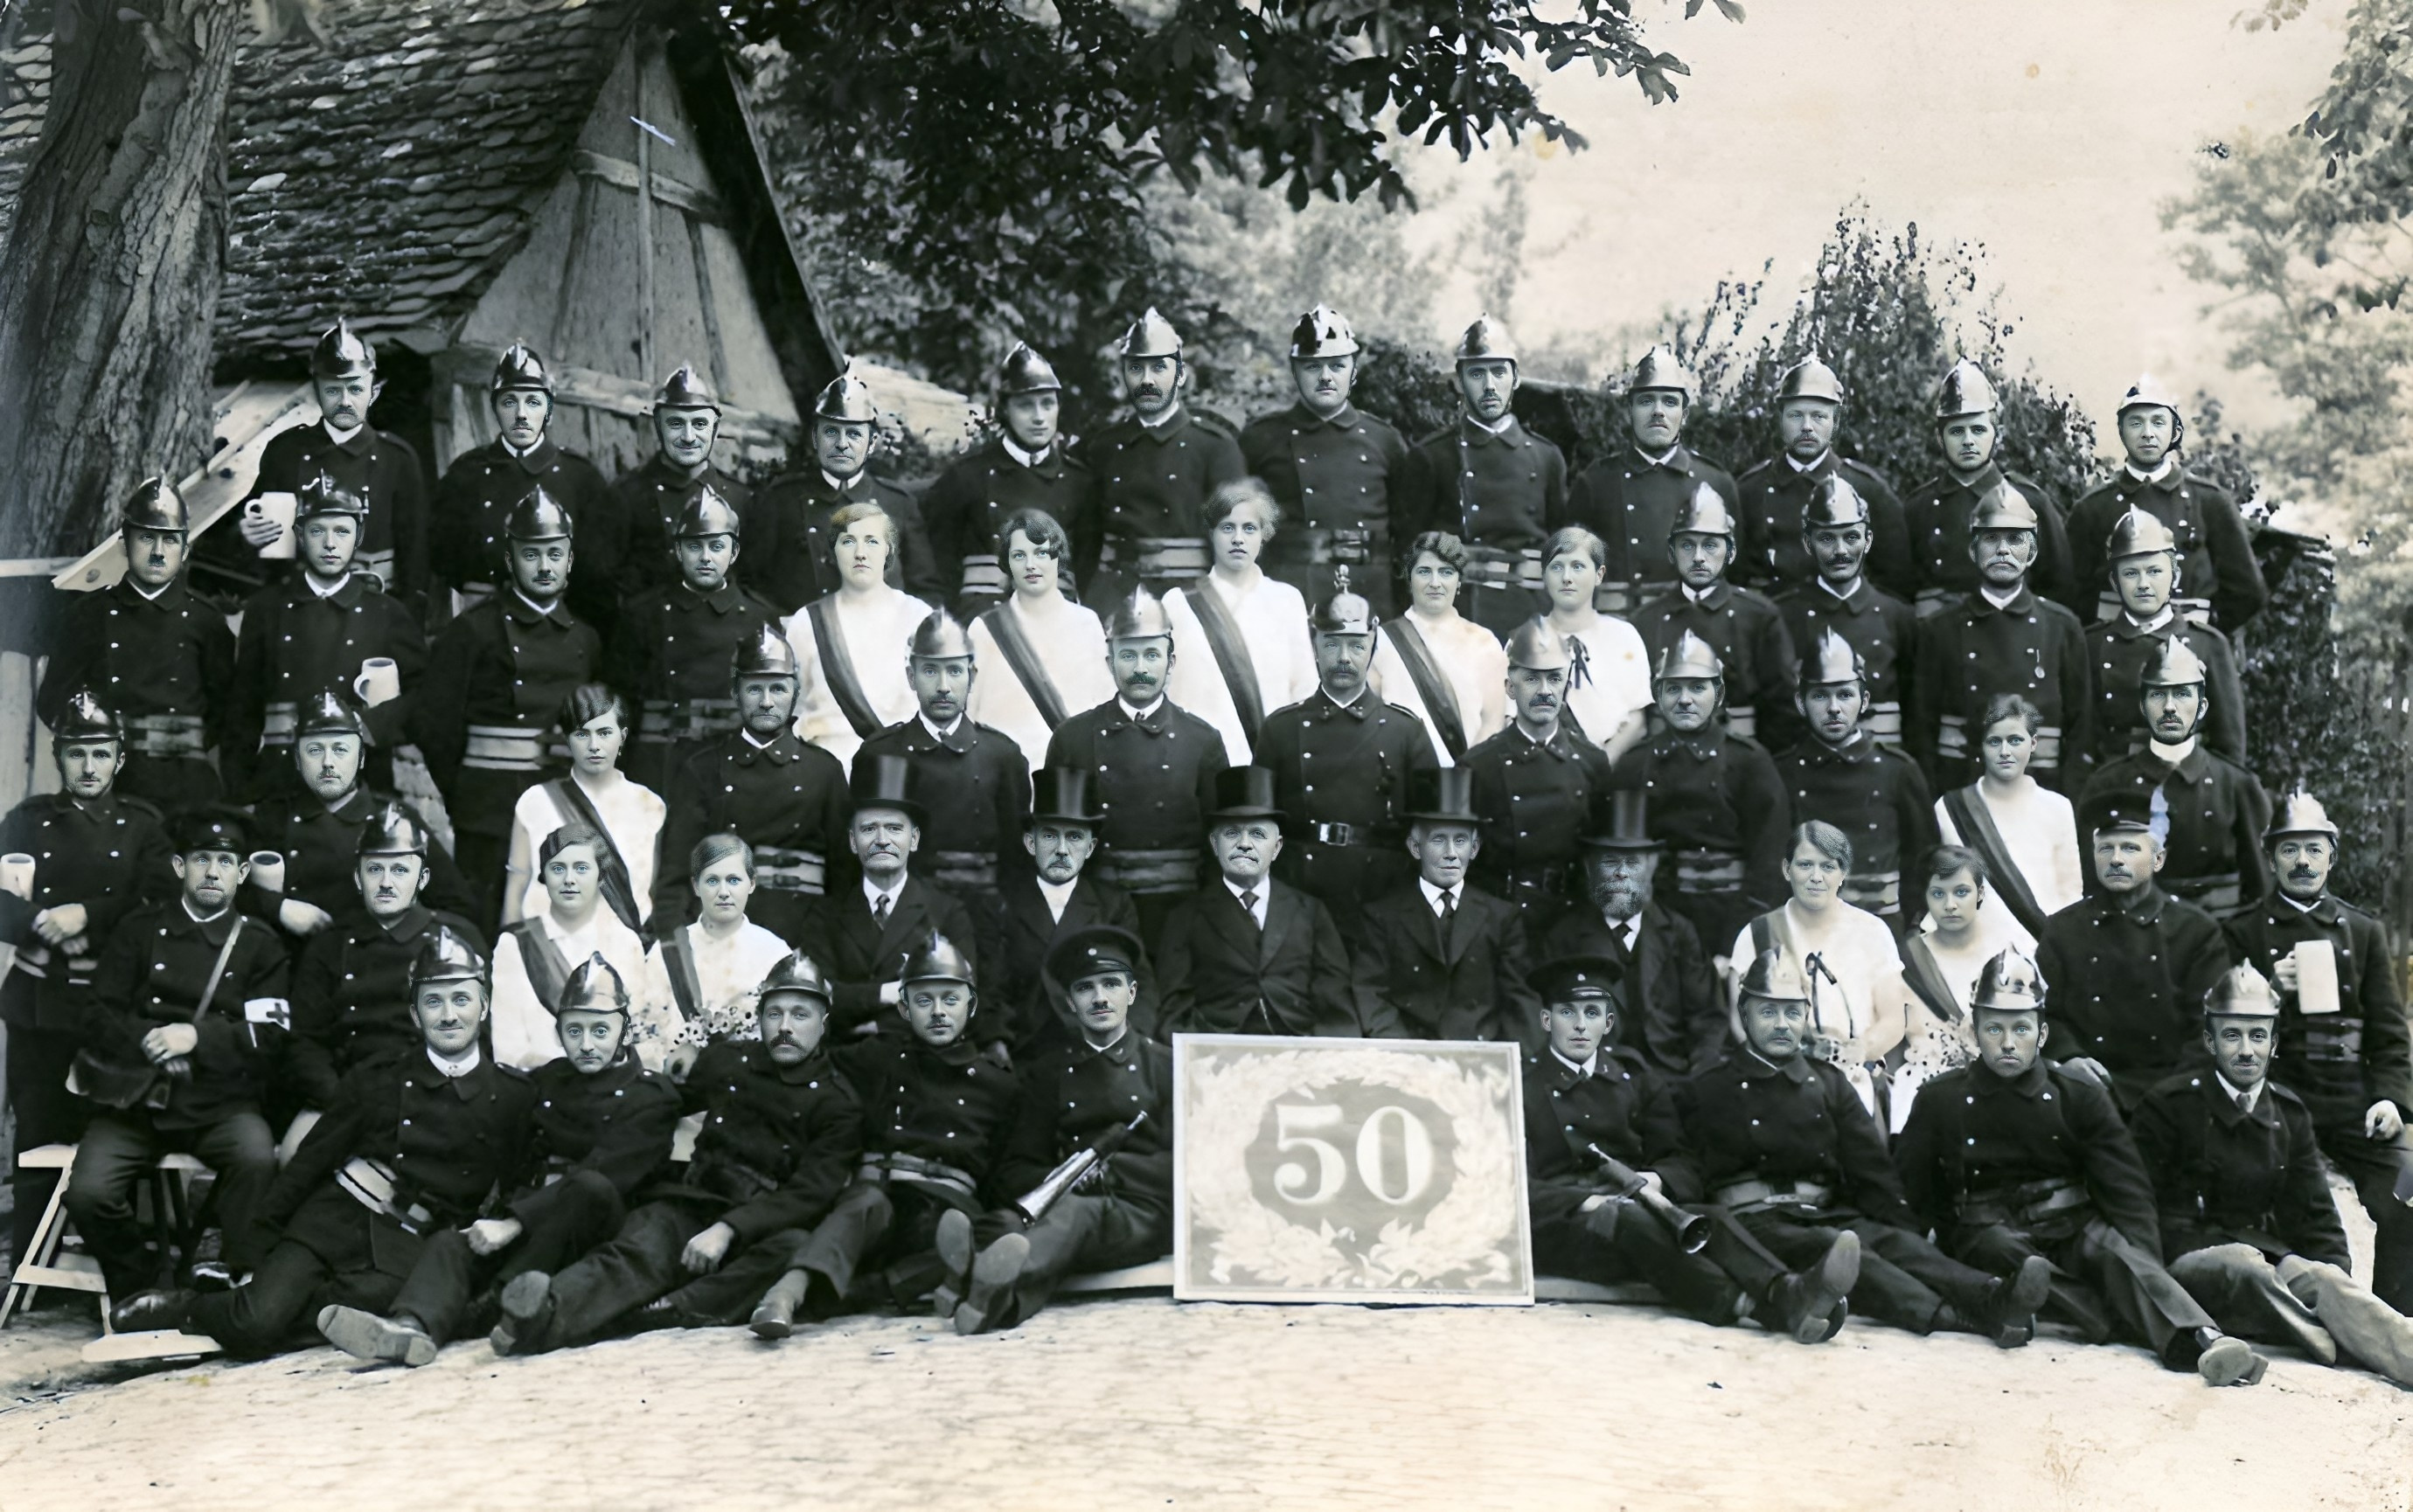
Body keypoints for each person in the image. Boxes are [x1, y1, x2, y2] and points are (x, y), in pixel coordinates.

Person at [113, 926, 535, 1353]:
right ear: (414, 1014)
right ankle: (189, 1307)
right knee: (256, 1325)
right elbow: (308, 1165)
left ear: (483, 1007)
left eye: (461, 999)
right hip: (333, 1219)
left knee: (341, 1321)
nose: (448, 1016)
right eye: (433, 1001)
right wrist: (248, 1257)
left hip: (407, 1247)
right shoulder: (377, 1078)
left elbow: (514, 1188)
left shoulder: (513, 1097)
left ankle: (248, 1311)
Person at [1894, 947, 2270, 1385]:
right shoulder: (1941, 1099)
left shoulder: (2077, 1093)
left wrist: (2146, 1263)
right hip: (1986, 1229)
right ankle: (2103, 1315)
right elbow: (1912, 1191)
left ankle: (2205, 1341)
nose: (2009, 1042)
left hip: (2072, 1223)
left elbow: (2126, 1188)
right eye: (1994, 1028)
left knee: (2116, 1253)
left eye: (2021, 1028)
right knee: (2008, 1254)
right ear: (1974, 1030)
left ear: (2043, 1030)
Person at [315, 952, 685, 1367]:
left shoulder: (650, 1097)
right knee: (450, 1243)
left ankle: (489, 1305)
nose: (586, 1044)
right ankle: (409, 1328)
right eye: (573, 1030)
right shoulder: (546, 1081)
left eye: (601, 1030)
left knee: (587, 1187)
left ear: (626, 1029)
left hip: (591, 1229)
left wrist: (513, 1222)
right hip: (533, 1217)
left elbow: (604, 1175)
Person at [489, 950, 865, 1356]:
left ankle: (665, 1311)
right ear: (760, 1018)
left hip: (760, 1219)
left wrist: (729, 1229)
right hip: (692, 1197)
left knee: (792, 1249)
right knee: (637, 1249)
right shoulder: (728, 1062)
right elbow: (660, 1100)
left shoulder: (838, 1104)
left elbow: (809, 1193)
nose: (785, 1027)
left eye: (800, 1015)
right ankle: (544, 1310)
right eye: (774, 1014)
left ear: (824, 1023)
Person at [1679, 950, 2052, 1346]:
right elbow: (1686, 1167)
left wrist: (1903, 1229)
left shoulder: (1828, 1084)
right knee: (1843, 1251)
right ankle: (1961, 1319)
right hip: (1755, 1222)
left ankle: (1995, 1295)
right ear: (1744, 1011)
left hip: (1824, 1212)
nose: (1782, 1025)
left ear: (1806, 1014)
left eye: (1792, 1012)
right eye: (1768, 1012)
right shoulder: (1707, 1087)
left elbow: (1870, 1171)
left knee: (1894, 1244)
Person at [1519, 954, 1861, 1344]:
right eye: (1567, 1012)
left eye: (1592, 1012)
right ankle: (1767, 1306)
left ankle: (1787, 1287)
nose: (1580, 1025)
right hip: (1565, 1231)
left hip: (1639, 1217)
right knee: (1629, 1218)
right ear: (1547, 1021)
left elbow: (1682, 1162)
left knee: (1708, 1216)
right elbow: (1509, 1185)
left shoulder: (1638, 1081)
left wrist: (1655, 1180)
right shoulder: (1519, 1086)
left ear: (1608, 1022)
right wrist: (1587, 1203)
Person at [2132, 964, 2413, 1387]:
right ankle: (2330, 1339)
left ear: (2274, 1043)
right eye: (2232, 1035)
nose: (2246, 1050)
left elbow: (2318, 1216)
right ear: (2210, 1041)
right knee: (2243, 1264)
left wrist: (2336, 1280)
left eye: (2258, 1035)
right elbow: (2139, 1215)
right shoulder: (2169, 1107)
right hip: (2190, 1264)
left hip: (2266, 1262)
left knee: (2322, 1276)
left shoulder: (2289, 1113)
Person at [729, 931, 1022, 1335]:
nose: (938, 1012)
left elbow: (1001, 1171)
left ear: (971, 1006)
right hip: (878, 1201)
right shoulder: (876, 1057)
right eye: (923, 1000)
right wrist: (874, 996)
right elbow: (813, 1027)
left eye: (950, 1000)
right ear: (903, 1006)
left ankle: (889, 1288)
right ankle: (783, 1296)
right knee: (865, 1201)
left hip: (945, 1206)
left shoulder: (999, 1085)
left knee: (988, 1231)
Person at [69, 808, 289, 1303]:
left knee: (256, 1160)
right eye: (201, 859)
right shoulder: (139, 929)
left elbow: (270, 1035)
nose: (212, 872)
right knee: (89, 1193)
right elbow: (98, 1013)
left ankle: (226, 1284)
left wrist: (197, 1038)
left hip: (219, 1102)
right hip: (137, 1101)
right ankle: (142, 1287)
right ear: (178, 868)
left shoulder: (259, 945)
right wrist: (151, 1039)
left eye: (225, 862)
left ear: (242, 874)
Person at [2222, 789, 2413, 1314]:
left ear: (2332, 855)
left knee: (2409, 1185)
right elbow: (2218, 1031)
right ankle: (2308, 1314)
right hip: (2278, 1093)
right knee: (2288, 1207)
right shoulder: (2241, 931)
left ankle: (2395, 1319)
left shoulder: (2364, 931)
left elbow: (2391, 1035)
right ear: (2271, 858)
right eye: (2289, 850)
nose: (2302, 861)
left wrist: (2391, 1100)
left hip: (2352, 1097)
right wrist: (2265, 990)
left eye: (2313, 849)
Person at [0, 691, 170, 1267]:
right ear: (60, 757)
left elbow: (159, 901)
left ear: (119, 758)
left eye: (100, 753)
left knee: (113, 1133)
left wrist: (89, 917)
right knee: (36, 1130)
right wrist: (42, 923)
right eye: (77, 754)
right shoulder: (25, 822)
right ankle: (31, 1264)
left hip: (110, 1010)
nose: (89, 767)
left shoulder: (145, 824)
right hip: (39, 1006)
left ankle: (114, 1261)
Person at [935, 925, 1172, 1336]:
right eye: (1085, 989)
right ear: (1069, 1002)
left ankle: (971, 1275)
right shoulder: (1048, 1075)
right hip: (1059, 1207)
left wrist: (1112, 1174)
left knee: (1076, 1215)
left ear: (1131, 993)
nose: (1100, 998)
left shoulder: (1166, 1066)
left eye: (1111, 984)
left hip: (1138, 1215)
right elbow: (1015, 1165)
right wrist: (1057, 1180)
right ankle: (995, 1304)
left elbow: (1190, 1163)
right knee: (1005, 1224)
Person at [413, 487, 602, 929]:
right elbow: (433, 725)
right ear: (510, 558)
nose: (544, 566)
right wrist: (465, 796)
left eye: (555, 553)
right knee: (487, 926)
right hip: (489, 811)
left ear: (570, 559)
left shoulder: (586, 639)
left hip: (562, 806)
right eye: (531, 554)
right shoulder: (472, 632)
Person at [1254, 569, 1437, 940]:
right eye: (1332, 643)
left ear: (1372, 646)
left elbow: (1429, 828)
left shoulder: (1406, 731)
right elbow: (1259, 826)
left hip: (1381, 895)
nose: (1343, 657)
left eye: (1356, 645)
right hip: (1301, 894)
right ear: (1315, 645)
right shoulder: (1281, 730)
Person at [1043, 586, 1232, 947]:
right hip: (1097, 908)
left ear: (1171, 662)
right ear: (1109, 662)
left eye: (1151, 655)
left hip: (1181, 912)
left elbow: (1216, 846)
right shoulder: (1072, 739)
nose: (1140, 669)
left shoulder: (1203, 741)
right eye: (1128, 655)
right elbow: (1053, 841)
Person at [224, 472, 425, 801]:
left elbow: (423, 691)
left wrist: (373, 724)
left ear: (358, 537)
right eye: (318, 531)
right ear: (301, 535)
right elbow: (243, 707)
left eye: (342, 531)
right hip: (279, 778)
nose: (330, 544)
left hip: (363, 777)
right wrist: (239, 789)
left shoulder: (386, 612)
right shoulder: (267, 609)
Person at [200, 318, 428, 603]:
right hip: (299, 607)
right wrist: (247, 537)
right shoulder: (286, 452)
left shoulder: (397, 459)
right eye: (333, 389)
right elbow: (262, 550)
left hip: (373, 609)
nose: (345, 400)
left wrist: (405, 632)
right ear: (316, 390)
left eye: (355, 389)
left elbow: (415, 558)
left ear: (374, 392)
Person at [37, 478, 233, 808]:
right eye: (146, 538)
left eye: (169, 541)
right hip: (107, 787)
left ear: (185, 550)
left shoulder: (207, 621)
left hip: (183, 788)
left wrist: (176, 743)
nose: (158, 552)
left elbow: (225, 710)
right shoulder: (87, 615)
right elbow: (52, 701)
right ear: (125, 545)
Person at [284, 802, 488, 1120]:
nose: (386, 883)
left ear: (422, 878)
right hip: (343, 1099)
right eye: (375, 869)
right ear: (358, 877)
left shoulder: (459, 939)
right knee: (297, 1160)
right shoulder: (330, 945)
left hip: (435, 1100)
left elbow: (479, 1034)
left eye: (400, 870)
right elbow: (305, 1040)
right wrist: (339, 1099)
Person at [2035, 790, 2233, 1114]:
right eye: (2106, 849)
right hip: (2085, 1091)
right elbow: (2044, 1014)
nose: (2116, 859)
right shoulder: (2062, 930)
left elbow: (2210, 1028)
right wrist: (2068, 1058)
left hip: (2172, 1095)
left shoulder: (2196, 932)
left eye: (2130, 848)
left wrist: (2173, 1092)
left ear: (2158, 859)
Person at [653, 625, 851, 947]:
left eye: (778, 689)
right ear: (734, 692)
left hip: (806, 936)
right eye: (754, 689)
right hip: (720, 935)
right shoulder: (702, 770)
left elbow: (845, 881)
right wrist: (677, 950)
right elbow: (675, 879)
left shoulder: (824, 772)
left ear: (796, 692)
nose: (767, 702)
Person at [1608, 629, 1789, 956]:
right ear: (1657, 695)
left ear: (1718, 694)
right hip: (1658, 918)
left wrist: (1740, 938)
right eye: (1673, 688)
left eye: (1697, 687)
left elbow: (1770, 859)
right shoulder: (1635, 765)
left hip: (1734, 914)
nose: (1685, 699)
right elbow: (1623, 862)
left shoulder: (1749, 761)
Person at [241, 691, 476, 936]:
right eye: (315, 750)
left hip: (369, 964)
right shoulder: (272, 816)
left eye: (341, 749)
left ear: (361, 757)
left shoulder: (395, 819)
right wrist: (278, 907)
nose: (328, 762)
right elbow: (223, 889)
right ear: (298, 760)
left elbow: (458, 907)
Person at [426, 342, 621, 635]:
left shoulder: (580, 477)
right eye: (509, 402)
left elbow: (596, 577)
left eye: (532, 401)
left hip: (556, 630)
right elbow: (444, 558)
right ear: (495, 407)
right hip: (482, 627)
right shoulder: (466, 474)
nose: (520, 414)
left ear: (549, 409)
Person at [1910, 479, 2091, 794]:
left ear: (2032, 551)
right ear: (1973, 549)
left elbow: (2082, 731)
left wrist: (2066, 803)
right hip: (1961, 788)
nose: (2003, 550)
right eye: (1991, 538)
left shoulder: (2062, 628)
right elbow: (1921, 732)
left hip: (2041, 791)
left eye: (2015, 540)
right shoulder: (1939, 630)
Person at [1394, 315, 1566, 637]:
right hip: (1457, 614)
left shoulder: (1547, 458)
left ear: (1516, 379)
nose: (1489, 386)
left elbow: (1562, 551)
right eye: (1476, 374)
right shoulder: (1431, 456)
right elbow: (1407, 554)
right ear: (1458, 381)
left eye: (1499, 372)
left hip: (1530, 615)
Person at [606, 486, 783, 797]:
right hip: (658, 762)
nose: (705, 558)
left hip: (729, 763)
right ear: (678, 551)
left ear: (734, 552)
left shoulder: (760, 618)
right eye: (694, 547)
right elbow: (620, 701)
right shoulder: (643, 614)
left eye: (716, 546)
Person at [1729, 822, 1911, 1121]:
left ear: (1844, 872)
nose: (1816, 877)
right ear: (1787, 870)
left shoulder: (1873, 932)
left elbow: (1893, 1020)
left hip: (1851, 1082)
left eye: (1828, 866)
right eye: (1805, 865)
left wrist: (1862, 1049)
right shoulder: (1758, 933)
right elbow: (1739, 1021)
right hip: (1778, 1082)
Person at [1153, 767, 1355, 1037]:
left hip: (1298, 1049)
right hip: (1219, 1054)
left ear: (1277, 846)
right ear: (1214, 844)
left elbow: (1335, 1003)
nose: (1245, 844)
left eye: (1258, 834)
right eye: (1232, 833)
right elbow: (1174, 1010)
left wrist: (1316, 1062)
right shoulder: (1186, 916)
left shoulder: (1310, 911)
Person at [2078, 637, 2271, 916]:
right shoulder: (2107, 784)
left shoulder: (2237, 786)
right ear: (2143, 706)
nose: (2170, 707)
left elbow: (2261, 892)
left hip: (2221, 940)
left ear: (2202, 707)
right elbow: (2092, 888)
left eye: (2182, 694)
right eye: (2158, 694)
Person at [1241, 305, 1412, 620]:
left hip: (1370, 593)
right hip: (1286, 594)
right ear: (1295, 371)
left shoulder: (1385, 440)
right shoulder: (1260, 439)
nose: (1325, 377)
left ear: (1354, 371)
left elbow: (1407, 535)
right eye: (1312, 367)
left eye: (1337, 366)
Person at [1541, 791, 1724, 1079]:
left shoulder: (1678, 932)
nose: (1621, 874)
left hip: (1671, 1078)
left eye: (1633, 862)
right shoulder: (1564, 937)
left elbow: (1707, 1018)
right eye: (1610, 862)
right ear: (1590, 868)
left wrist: (1700, 1076)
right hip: (1597, 1080)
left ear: (1652, 867)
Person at [1352, 769, 1540, 1044]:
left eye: (1461, 841)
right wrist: (1404, 1054)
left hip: (1480, 1059)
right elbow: (1371, 993)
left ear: (1474, 849)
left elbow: (1520, 1001)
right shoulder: (1383, 916)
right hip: (1408, 1058)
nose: (1451, 853)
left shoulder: (1501, 917)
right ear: (1415, 847)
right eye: (1439, 840)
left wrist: (1505, 1065)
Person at [2065, 375, 2266, 631]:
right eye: (2136, 423)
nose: (2147, 433)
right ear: (2121, 431)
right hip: (2114, 652)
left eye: (2158, 422)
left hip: (2188, 651)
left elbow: (2248, 590)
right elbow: (2068, 592)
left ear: (2175, 432)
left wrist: (2204, 635)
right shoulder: (2093, 509)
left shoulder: (2209, 503)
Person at [853, 607, 1033, 893]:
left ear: (972, 676)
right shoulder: (880, 753)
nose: (943, 687)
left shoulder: (1002, 756)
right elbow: (861, 857)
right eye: (930, 671)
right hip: (907, 911)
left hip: (983, 913)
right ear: (911, 677)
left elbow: (1016, 859)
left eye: (955, 671)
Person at [975, 769, 1152, 1055]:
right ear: (1030, 843)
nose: (1061, 850)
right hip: (1023, 1050)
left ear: (1090, 847)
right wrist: (998, 1043)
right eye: (1049, 836)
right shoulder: (999, 904)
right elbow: (990, 988)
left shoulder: (1113, 905)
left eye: (1074, 837)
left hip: (1096, 1049)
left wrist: (1127, 1048)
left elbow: (1139, 986)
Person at [802, 755, 980, 1038]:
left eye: (895, 828)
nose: (882, 839)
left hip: (921, 1057)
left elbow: (962, 998)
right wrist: (888, 992)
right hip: (843, 1061)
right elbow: (815, 995)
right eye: (869, 828)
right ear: (852, 841)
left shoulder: (947, 912)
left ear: (914, 839)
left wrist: (880, 1026)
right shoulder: (825, 914)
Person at [1461, 620, 1616, 944]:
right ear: (1509, 687)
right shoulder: (1478, 765)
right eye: (1531, 678)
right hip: (1499, 923)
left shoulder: (1592, 763)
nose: (1544, 691)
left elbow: (1604, 858)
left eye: (1554, 679)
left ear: (1566, 686)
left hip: (1571, 922)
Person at [741, 371, 946, 613]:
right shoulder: (780, 500)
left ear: (871, 443)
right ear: (815, 438)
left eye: (854, 434)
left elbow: (926, 591)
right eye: (831, 432)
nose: (841, 443)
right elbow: (749, 586)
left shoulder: (898, 504)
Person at [1561, 346, 1742, 616]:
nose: (1658, 411)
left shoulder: (1716, 482)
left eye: (1669, 402)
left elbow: (1735, 575)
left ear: (1685, 414)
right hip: (1616, 627)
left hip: (1689, 626)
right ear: (1630, 410)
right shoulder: (1596, 482)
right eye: (1647, 401)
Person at [1080, 307, 1245, 607]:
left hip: (1191, 596)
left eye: (1159, 368)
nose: (1147, 381)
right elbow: (1085, 543)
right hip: (1114, 596)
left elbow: (1237, 542)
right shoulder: (1103, 447)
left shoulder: (1215, 447)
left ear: (1180, 374)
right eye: (1136, 369)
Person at [921, 343, 1102, 617]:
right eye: (1025, 406)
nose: (1039, 417)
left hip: (1057, 617)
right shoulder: (967, 478)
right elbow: (938, 561)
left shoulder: (1080, 482)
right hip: (984, 618)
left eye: (1047, 404)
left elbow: (1088, 564)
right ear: (1005, 410)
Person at [1777, 629, 1938, 927]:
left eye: (1845, 694)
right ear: (1801, 703)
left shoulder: (1898, 770)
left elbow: (1924, 860)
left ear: (1864, 701)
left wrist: (1913, 926)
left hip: (1883, 925)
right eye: (1820, 695)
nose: (1834, 708)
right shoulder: (1783, 772)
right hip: (1806, 927)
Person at [1163, 477, 1318, 766]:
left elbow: (1305, 691)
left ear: (1265, 534)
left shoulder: (1286, 600)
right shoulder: (1178, 603)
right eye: (1227, 528)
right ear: (1211, 533)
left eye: (1249, 528)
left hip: (1267, 764)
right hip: (1196, 761)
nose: (1238, 539)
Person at [490, 824, 671, 1072]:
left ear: (601, 875)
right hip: (540, 1086)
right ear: (544, 875)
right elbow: (508, 1048)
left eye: (582, 868)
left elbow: (634, 1032)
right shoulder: (516, 944)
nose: (569, 880)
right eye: (558, 868)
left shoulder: (625, 942)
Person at [1900, 360, 2075, 614]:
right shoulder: (1918, 507)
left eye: (1978, 430)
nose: (1968, 441)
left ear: (1998, 435)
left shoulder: (2031, 502)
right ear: (1940, 438)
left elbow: (2061, 591)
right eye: (1957, 431)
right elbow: (1899, 592)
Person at [1734, 355, 1914, 599]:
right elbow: (1731, 582)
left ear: (1835, 421)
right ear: (1780, 418)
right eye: (1796, 415)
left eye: (1819, 416)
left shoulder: (1868, 490)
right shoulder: (1750, 490)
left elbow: (1895, 585)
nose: (1807, 426)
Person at [2082, 506, 2247, 770]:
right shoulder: (2092, 645)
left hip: (2185, 784)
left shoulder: (2208, 645)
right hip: (2112, 786)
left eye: (2155, 571)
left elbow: (2229, 750)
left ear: (2175, 576)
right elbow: (2081, 743)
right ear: (2115, 582)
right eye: (2131, 573)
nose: (2144, 584)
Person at [1632, 483, 1795, 746]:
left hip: (1739, 762)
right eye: (1688, 545)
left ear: (1730, 551)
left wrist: (1755, 762)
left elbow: (1783, 708)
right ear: (1672, 552)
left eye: (1710, 545)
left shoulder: (1758, 617)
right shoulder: (1644, 621)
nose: (1698, 557)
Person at [784, 501, 936, 771]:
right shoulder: (807, 621)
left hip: (902, 771)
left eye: (872, 542)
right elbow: (793, 708)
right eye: (848, 541)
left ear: (888, 550)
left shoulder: (919, 617)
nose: (860, 553)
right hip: (824, 771)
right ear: (833, 551)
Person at [1770, 475, 1917, 750]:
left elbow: (1916, 714)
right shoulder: (1782, 616)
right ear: (1807, 542)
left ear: (1868, 539)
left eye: (1851, 537)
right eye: (1827, 538)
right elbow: (1776, 715)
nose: (1840, 551)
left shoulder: (1898, 617)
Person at [504, 684, 664, 934]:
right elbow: (516, 887)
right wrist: (509, 951)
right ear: (567, 738)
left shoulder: (649, 805)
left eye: (604, 733)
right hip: (546, 948)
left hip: (621, 948)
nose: (594, 745)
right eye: (581, 734)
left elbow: (650, 891)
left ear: (622, 736)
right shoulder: (536, 801)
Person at [964, 508, 1116, 772]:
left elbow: (1105, 706)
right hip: (1003, 771)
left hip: (1071, 773)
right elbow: (969, 714)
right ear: (1007, 563)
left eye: (1041, 553)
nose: (1030, 565)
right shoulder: (985, 628)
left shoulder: (1087, 623)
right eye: (1019, 555)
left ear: (1059, 558)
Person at [1891, 846, 2028, 1132]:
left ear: (1980, 893)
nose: (1950, 904)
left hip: (2000, 1079)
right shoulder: (1906, 958)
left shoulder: (2009, 954)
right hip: (1926, 1083)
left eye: (1961, 892)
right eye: (1938, 894)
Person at [1932, 693, 2085, 944]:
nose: (2005, 752)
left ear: (2033, 743)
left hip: (2042, 945)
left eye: (2015, 740)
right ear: (1981, 745)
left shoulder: (2058, 807)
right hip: (1975, 948)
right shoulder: (1950, 808)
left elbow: (2070, 893)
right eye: (1994, 742)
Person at [639, 835, 797, 1051]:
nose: (723, 892)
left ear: (751, 883)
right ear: (696, 886)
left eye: (734, 880)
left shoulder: (774, 953)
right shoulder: (665, 952)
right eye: (712, 881)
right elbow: (646, 1031)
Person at [611, 364, 754, 602]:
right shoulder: (625, 497)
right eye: (676, 424)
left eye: (699, 424)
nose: (688, 437)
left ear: (715, 429)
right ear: (659, 426)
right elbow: (597, 590)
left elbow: (750, 589)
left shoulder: (741, 500)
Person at [1369, 531, 1508, 765]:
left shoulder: (1484, 641)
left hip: (1467, 779)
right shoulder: (1381, 641)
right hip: (1402, 778)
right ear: (1409, 578)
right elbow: (1371, 722)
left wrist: (1464, 773)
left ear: (1459, 580)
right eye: (1425, 572)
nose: (1435, 583)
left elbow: (1493, 724)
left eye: (1446, 572)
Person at [1535, 526, 1653, 756]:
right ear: (1544, 576)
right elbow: (1512, 718)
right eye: (1557, 567)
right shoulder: (1527, 638)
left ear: (1599, 575)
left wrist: (1601, 767)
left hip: (1608, 771)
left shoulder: (1623, 636)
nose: (1567, 578)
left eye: (1578, 567)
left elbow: (1637, 723)